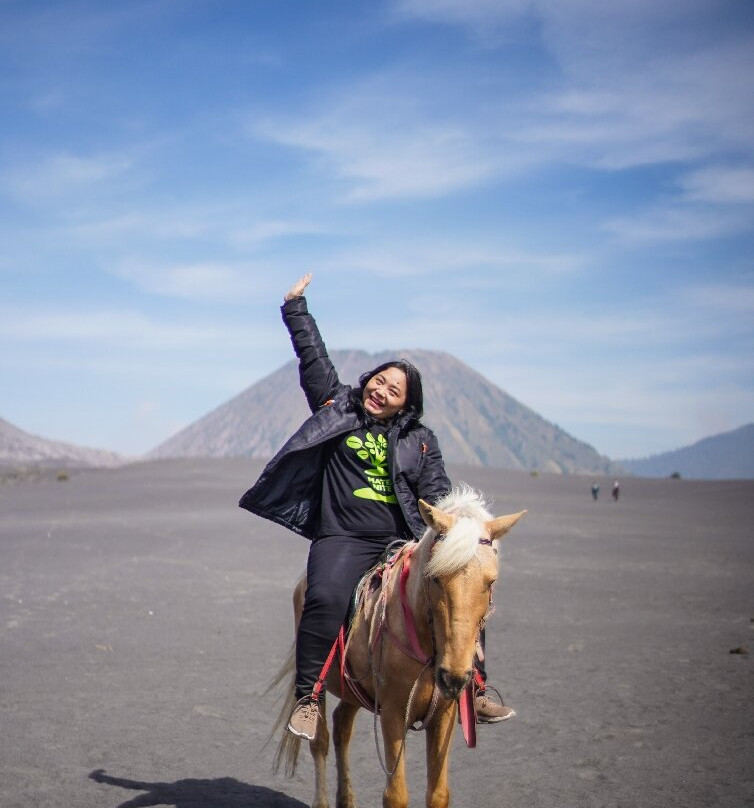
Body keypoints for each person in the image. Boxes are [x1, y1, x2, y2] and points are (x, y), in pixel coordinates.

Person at [239, 274, 514, 741]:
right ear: (367, 381)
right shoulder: (337, 407)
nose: (382, 391)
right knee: (324, 597)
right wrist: (295, 308)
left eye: (394, 390)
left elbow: (437, 492)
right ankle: (308, 698)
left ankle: (477, 687)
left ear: (406, 405)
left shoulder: (420, 440)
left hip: (400, 541)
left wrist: (459, 530)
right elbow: (313, 359)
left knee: (465, 588)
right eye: (379, 381)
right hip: (343, 538)